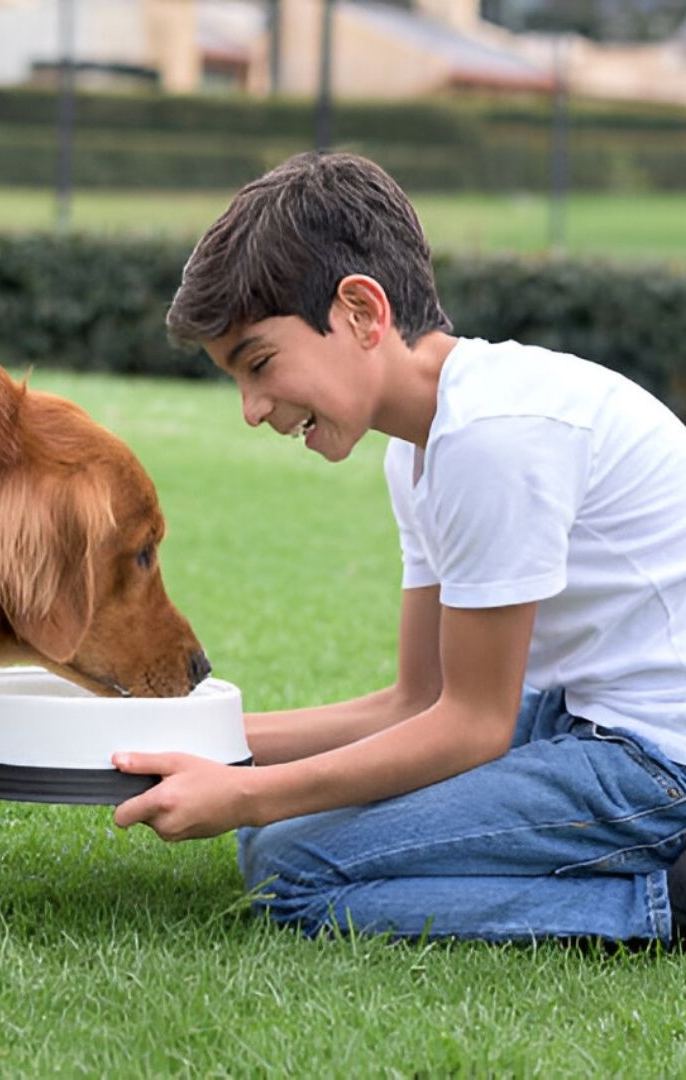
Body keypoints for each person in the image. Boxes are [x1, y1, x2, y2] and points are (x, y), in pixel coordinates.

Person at [111, 150, 686, 944]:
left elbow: (474, 726)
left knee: (290, 875)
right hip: (576, 722)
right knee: (272, 834)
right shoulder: (418, 451)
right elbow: (414, 701)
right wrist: (194, 743)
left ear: (361, 313)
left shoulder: (493, 439)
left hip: (658, 763)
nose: (251, 409)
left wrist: (245, 793)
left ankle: (658, 904)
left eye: (260, 364)